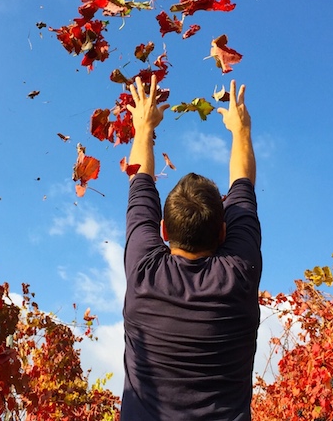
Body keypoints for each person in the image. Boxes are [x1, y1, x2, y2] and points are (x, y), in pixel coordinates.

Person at [121, 74, 261, 420]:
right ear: (223, 233)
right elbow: (243, 183)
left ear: (163, 230)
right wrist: (239, 129)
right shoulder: (239, 274)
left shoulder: (144, 273)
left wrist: (144, 126)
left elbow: (140, 179)